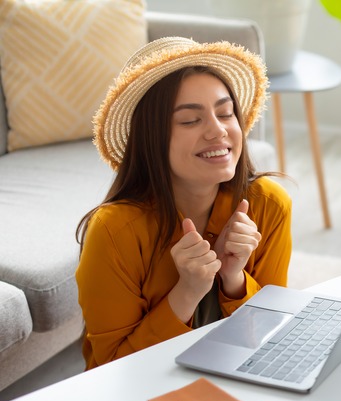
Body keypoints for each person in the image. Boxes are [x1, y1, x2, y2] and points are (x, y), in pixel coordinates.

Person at [76, 37, 292, 370]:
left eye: (225, 113)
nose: (217, 130)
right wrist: (187, 292)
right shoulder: (113, 231)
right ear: (152, 139)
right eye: (191, 120)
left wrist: (235, 281)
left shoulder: (268, 204)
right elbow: (111, 370)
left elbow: (273, 340)